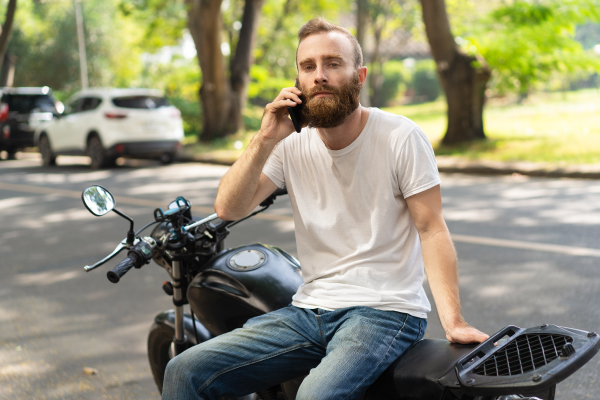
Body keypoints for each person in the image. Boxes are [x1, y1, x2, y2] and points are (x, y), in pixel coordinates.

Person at [161, 17, 488, 400]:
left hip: (384, 311)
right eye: (308, 66)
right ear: (298, 81)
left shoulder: (400, 136)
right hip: (310, 311)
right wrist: (265, 137)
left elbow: (431, 228)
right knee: (184, 370)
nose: (319, 76)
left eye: (333, 63)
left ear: (359, 75)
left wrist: (454, 321)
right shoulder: (288, 143)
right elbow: (228, 208)